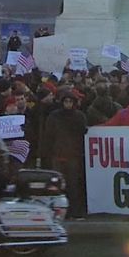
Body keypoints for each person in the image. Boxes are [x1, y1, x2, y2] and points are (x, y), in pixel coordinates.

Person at [41, 90, 88, 220]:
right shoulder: (54, 116)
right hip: (58, 154)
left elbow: (83, 134)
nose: (68, 104)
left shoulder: (79, 116)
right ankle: (59, 212)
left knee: (73, 185)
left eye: (70, 101)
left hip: (74, 155)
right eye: (66, 101)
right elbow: (48, 136)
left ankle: (74, 212)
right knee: (58, 186)